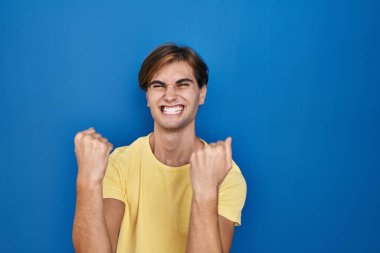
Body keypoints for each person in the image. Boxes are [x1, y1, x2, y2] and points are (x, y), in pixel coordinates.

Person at [72, 44, 247, 253]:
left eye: (182, 84)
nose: (170, 95)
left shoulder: (225, 174)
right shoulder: (119, 164)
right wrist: (87, 182)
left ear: (201, 94)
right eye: (158, 85)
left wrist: (206, 190)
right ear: (147, 97)